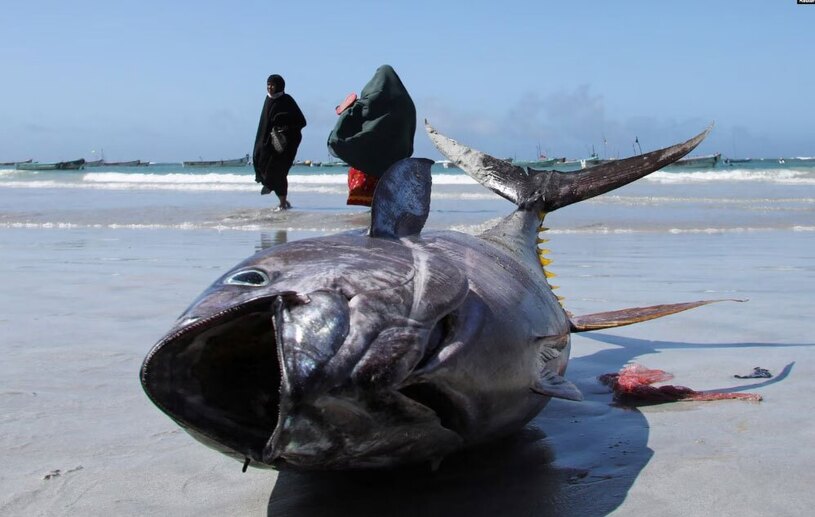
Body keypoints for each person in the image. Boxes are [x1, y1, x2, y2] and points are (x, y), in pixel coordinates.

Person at [253, 74, 307, 210]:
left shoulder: (287, 100)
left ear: (280, 86)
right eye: (268, 85)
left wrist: (284, 128)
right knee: (262, 164)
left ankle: (282, 203)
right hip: (268, 143)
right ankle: (282, 199)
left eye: (272, 85)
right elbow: (264, 124)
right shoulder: (268, 99)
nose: (270, 88)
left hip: (285, 145)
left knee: (279, 172)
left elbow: (301, 121)